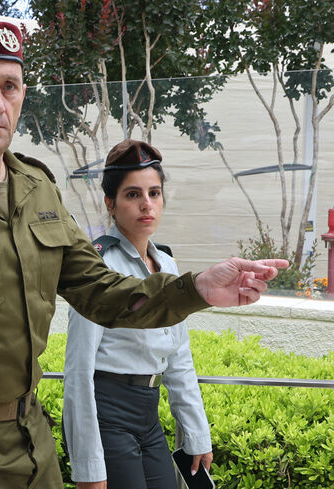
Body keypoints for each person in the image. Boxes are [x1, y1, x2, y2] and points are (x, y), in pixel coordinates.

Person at [0, 21, 288, 489]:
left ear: (22, 96)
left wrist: (195, 288)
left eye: (9, 87)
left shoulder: (38, 188)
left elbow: (103, 293)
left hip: (31, 443)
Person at [63, 139, 212, 489]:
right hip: (108, 414)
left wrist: (196, 433)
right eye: (133, 195)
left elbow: (178, 357)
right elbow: (78, 370)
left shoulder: (167, 264)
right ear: (110, 204)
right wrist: (88, 468)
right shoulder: (99, 266)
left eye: (154, 193)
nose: (147, 204)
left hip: (149, 413)